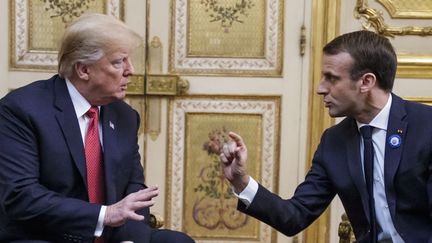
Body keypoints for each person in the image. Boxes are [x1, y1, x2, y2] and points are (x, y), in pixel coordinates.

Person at [219, 30, 432, 243]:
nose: (320, 88)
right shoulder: (334, 141)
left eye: (331, 78)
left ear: (366, 82)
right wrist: (241, 181)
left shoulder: (426, 127)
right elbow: (295, 216)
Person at [0, 14, 194, 243]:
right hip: (47, 236)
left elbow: (134, 190)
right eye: (118, 62)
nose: (130, 70)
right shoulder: (21, 110)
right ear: (83, 70)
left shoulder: (124, 115)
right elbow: (21, 196)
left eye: (128, 60)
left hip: (111, 236)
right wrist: (105, 215)